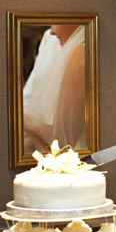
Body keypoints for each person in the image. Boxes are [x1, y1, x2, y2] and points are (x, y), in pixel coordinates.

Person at [23, 24, 86, 152]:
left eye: (55, 22)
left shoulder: (80, 56)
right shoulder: (49, 39)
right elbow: (29, 100)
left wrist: (18, 119)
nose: (51, 31)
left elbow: (63, 144)